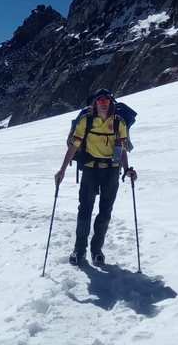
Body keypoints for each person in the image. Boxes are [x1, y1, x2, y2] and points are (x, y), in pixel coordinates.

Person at [54, 89, 137, 265]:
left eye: (106, 100)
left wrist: (127, 169)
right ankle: (79, 249)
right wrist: (62, 169)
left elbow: (122, 149)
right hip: (91, 169)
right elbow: (74, 145)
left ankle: (96, 249)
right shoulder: (86, 120)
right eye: (99, 101)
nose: (103, 102)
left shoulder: (118, 123)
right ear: (95, 104)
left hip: (111, 171)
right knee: (85, 209)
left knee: (105, 211)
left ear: (111, 102)